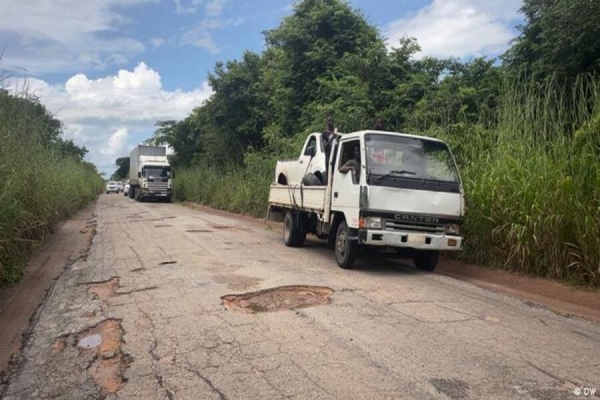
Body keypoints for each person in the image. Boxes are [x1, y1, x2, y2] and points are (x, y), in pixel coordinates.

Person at [321, 115, 338, 184]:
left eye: (331, 120)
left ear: (333, 122)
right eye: (328, 121)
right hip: (329, 158)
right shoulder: (325, 134)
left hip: (337, 157)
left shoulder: (337, 132)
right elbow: (324, 146)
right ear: (327, 123)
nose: (330, 122)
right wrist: (331, 139)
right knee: (329, 177)